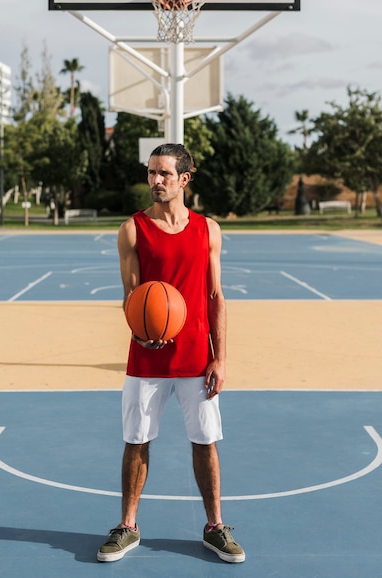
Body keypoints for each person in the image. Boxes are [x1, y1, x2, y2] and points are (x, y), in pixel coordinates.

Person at [97, 143, 245, 564]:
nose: (155, 181)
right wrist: (139, 330)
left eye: (164, 174)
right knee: (136, 442)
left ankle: (215, 526)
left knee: (205, 442)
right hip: (146, 359)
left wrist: (220, 357)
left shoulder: (208, 229)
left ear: (185, 178)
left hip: (197, 357)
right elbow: (131, 296)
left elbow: (216, 295)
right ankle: (128, 526)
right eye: (151, 173)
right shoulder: (132, 229)